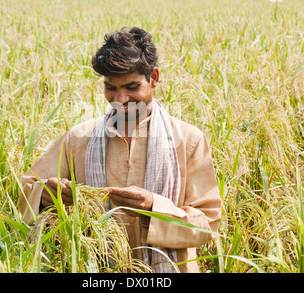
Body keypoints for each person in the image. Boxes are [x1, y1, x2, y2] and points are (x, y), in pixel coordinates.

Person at [18, 26, 222, 273]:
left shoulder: (188, 140)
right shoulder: (80, 138)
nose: (120, 98)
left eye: (132, 87)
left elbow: (208, 223)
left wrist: (153, 207)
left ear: (154, 78)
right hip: (98, 272)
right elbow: (28, 188)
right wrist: (48, 196)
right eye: (111, 87)